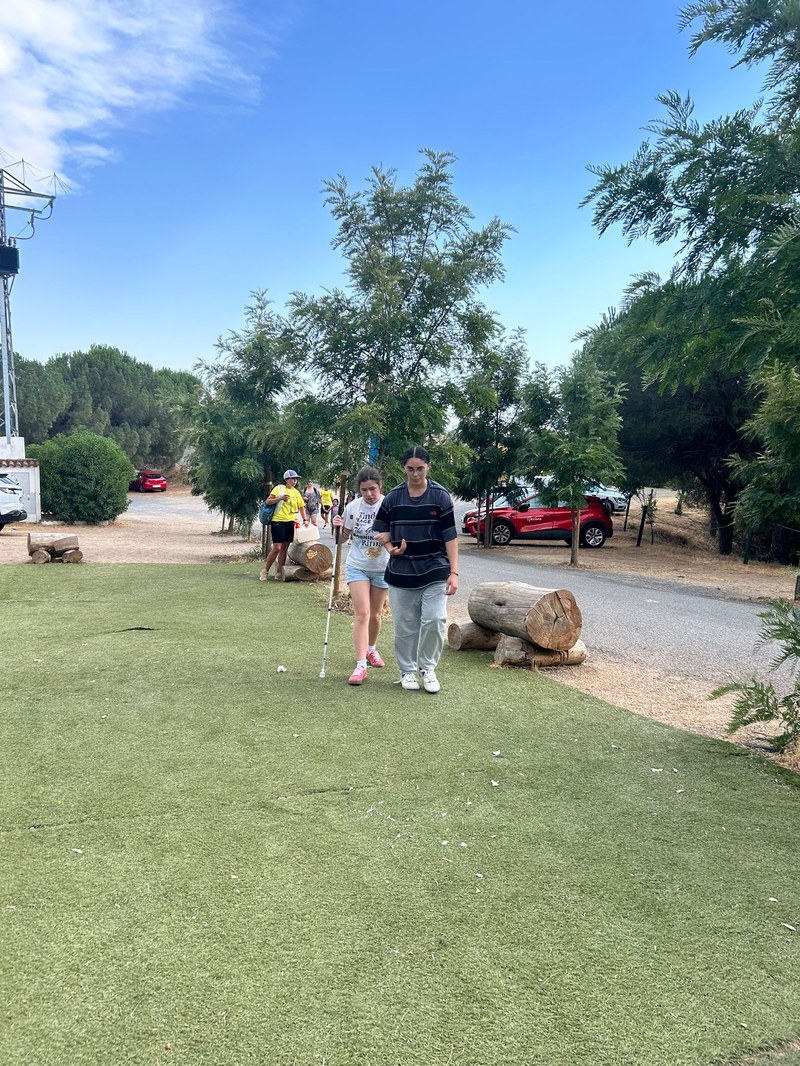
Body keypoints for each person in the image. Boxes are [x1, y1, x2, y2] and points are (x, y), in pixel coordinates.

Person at [372, 446, 458, 693]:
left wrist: (454, 572)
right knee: (405, 625)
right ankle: (407, 670)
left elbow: (450, 536)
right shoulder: (394, 497)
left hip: (435, 566)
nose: (415, 474)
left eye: (420, 468)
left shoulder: (441, 495)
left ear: (428, 467)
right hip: (401, 571)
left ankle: (427, 669)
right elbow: (381, 529)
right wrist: (390, 547)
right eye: (410, 469)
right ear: (404, 468)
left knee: (435, 619)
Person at [332, 467, 391, 686]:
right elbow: (341, 540)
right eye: (364, 490)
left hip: (383, 567)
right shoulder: (352, 507)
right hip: (357, 565)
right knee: (362, 614)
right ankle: (360, 665)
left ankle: (371, 649)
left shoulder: (389, 505)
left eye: (372, 489)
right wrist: (336, 527)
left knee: (376, 614)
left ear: (380, 486)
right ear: (359, 489)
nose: (369, 494)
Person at [262, 469, 309, 580]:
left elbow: (301, 507)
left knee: (284, 549)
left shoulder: (296, 492)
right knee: (277, 548)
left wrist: (305, 520)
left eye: (296, 479)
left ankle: (279, 572)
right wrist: (280, 498)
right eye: (292, 479)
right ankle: (265, 571)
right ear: (286, 479)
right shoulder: (279, 488)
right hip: (278, 521)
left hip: (290, 522)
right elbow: (268, 501)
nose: (294, 481)